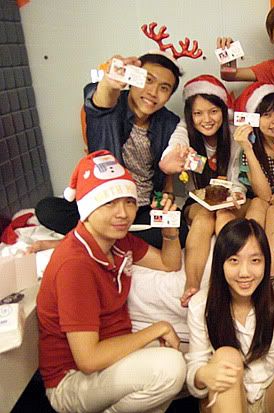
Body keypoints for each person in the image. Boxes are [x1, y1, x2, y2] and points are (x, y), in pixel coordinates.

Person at [37, 151, 186, 413]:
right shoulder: (76, 264)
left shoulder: (118, 241)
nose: (123, 214)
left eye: (129, 202)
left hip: (110, 354)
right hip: (70, 379)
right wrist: (158, 328)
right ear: (88, 208)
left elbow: (168, 264)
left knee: (185, 360)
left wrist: (170, 234)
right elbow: (88, 359)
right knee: (169, 368)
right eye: (109, 203)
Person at [35, 51, 188, 248]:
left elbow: (167, 175)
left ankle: (89, 239)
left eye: (164, 88)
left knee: (179, 230)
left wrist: (167, 197)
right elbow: (100, 103)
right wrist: (109, 83)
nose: (153, 92)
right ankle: (115, 239)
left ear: (169, 96)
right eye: (148, 80)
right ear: (133, 78)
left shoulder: (169, 123)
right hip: (101, 204)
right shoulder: (112, 107)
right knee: (47, 209)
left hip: (140, 207)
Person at [185, 219, 274, 413]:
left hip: (271, 394)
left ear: (266, 262)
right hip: (230, 400)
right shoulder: (202, 305)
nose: (244, 273)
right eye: (234, 260)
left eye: (255, 261)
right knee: (226, 356)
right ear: (220, 263)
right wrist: (203, 374)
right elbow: (195, 374)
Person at [159, 75, 246, 307]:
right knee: (206, 216)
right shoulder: (184, 130)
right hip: (197, 202)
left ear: (222, 111)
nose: (206, 120)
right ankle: (192, 284)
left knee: (224, 215)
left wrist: (235, 194)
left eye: (213, 111)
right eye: (198, 113)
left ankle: (233, 280)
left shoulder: (234, 134)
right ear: (190, 115)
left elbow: (238, 177)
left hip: (229, 201)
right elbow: (173, 148)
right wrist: (172, 158)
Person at [233, 82, 274, 275]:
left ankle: (270, 276)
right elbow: (265, 195)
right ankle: (248, 265)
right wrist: (248, 149)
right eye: (266, 115)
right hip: (264, 203)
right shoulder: (250, 150)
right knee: (258, 203)